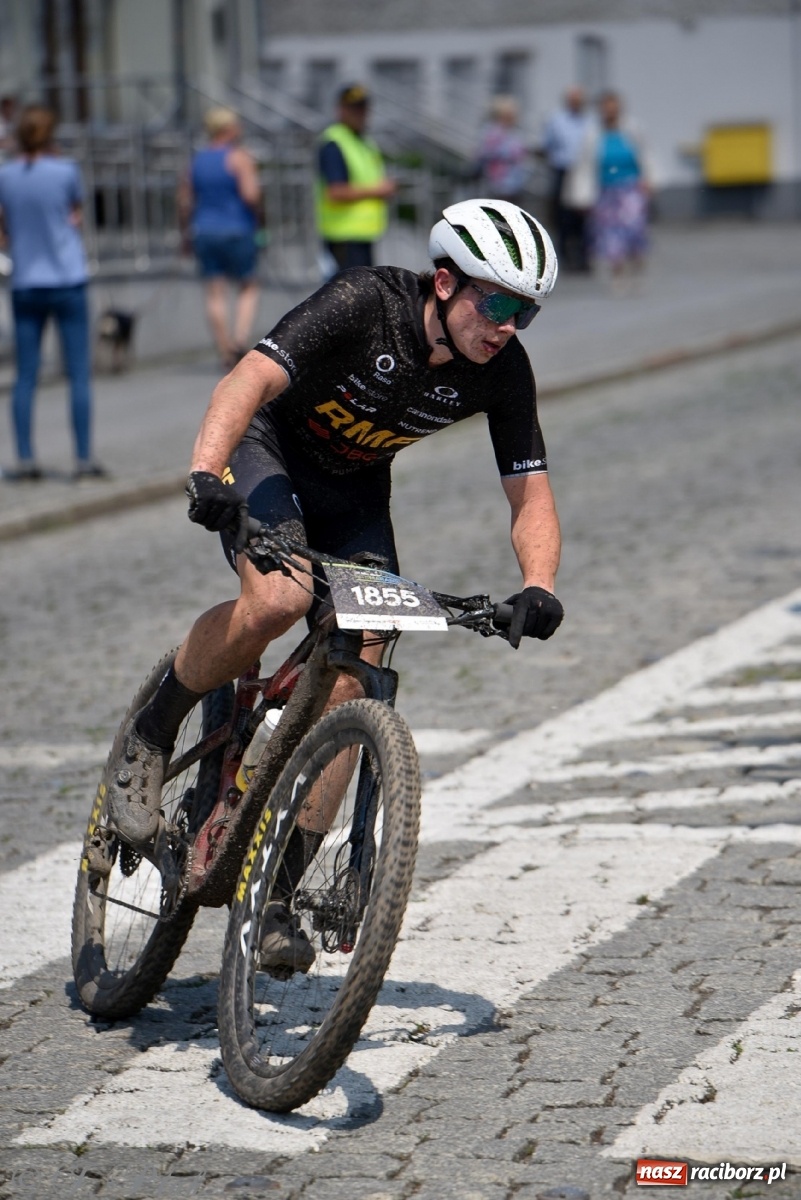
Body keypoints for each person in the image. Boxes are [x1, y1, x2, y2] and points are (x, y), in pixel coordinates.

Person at [105, 198, 565, 973]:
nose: (508, 325)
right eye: (496, 304)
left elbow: (531, 492)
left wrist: (538, 583)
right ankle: (151, 734)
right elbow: (247, 379)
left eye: (526, 312)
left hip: (352, 495)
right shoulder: (363, 302)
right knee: (278, 601)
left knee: (362, 662)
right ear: (445, 283)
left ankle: (276, 897)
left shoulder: (502, 370)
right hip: (266, 454)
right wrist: (205, 472)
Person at [0, 104, 105, 481]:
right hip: (66, 279)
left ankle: (26, 460)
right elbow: (74, 214)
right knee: (78, 374)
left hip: (26, 280)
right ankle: (83, 460)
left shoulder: (6, 175)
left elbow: (4, 227)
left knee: (26, 375)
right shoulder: (65, 170)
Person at [178, 108, 262, 371]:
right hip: (238, 229)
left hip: (204, 230)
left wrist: (185, 234)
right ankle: (239, 340)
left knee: (215, 292)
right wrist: (261, 217)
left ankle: (225, 350)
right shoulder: (239, 157)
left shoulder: (197, 161)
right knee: (248, 286)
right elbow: (250, 195)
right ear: (229, 129)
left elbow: (184, 201)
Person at [315, 83, 396, 277]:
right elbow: (335, 191)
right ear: (341, 110)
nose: (360, 114)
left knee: (362, 290)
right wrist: (377, 190)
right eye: (354, 108)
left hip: (361, 234)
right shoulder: (334, 142)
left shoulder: (363, 141)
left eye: (362, 108)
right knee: (348, 292)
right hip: (343, 235)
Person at [583, 91, 651, 287]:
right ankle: (617, 273)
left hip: (630, 188)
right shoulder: (594, 133)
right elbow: (586, 165)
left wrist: (648, 179)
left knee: (634, 229)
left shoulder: (632, 129)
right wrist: (584, 194)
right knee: (610, 235)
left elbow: (645, 155)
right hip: (606, 190)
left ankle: (637, 266)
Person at [541, 87, 591, 272]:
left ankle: (583, 255)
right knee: (563, 217)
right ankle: (564, 255)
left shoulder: (589, 121)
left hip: (583, 172)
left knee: (583, 218)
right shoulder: (557, 120)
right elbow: (548, 145)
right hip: (563, 170)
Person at [472, 95, 530, 207]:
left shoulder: (514, 133)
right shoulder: (492, 132)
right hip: (497, 182)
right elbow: (485, 153)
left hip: (514, 183)